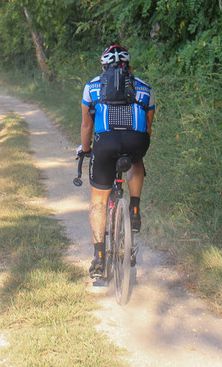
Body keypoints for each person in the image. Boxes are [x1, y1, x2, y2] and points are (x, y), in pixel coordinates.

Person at [78, 44, 155, 278]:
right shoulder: (144, 88)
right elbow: (148, 125)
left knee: (98, 200)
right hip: (136, 141)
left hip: (105, 144)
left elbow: (87, 125)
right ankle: (133, 208)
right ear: (129, 66)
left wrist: (86, 149)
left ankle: (99, 258)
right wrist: (138, 150)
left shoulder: (92, 87)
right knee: (136, 163)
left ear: (103, 67)